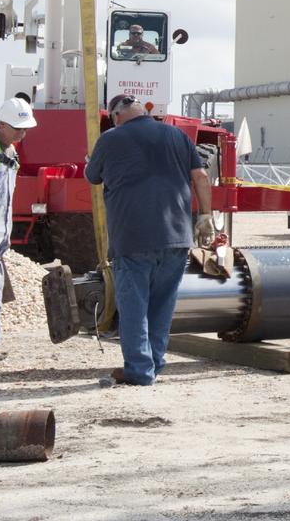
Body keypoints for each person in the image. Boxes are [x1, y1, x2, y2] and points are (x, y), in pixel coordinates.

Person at [85, 94, 213, 386]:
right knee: (162, 305)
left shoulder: (110, 139)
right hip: (177, 237)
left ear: (117, 115)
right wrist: (205, 216)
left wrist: (90, 163)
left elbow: (92, 176)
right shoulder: (177, 135)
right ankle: (154, 363)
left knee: (134, 306)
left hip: (133, 237)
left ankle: (140, 371)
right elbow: (201, 177)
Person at [0, 98, 35, 362]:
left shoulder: (10, 153)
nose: (22, 134)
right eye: (17, 128)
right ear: (2, 124)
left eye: (25, 129)